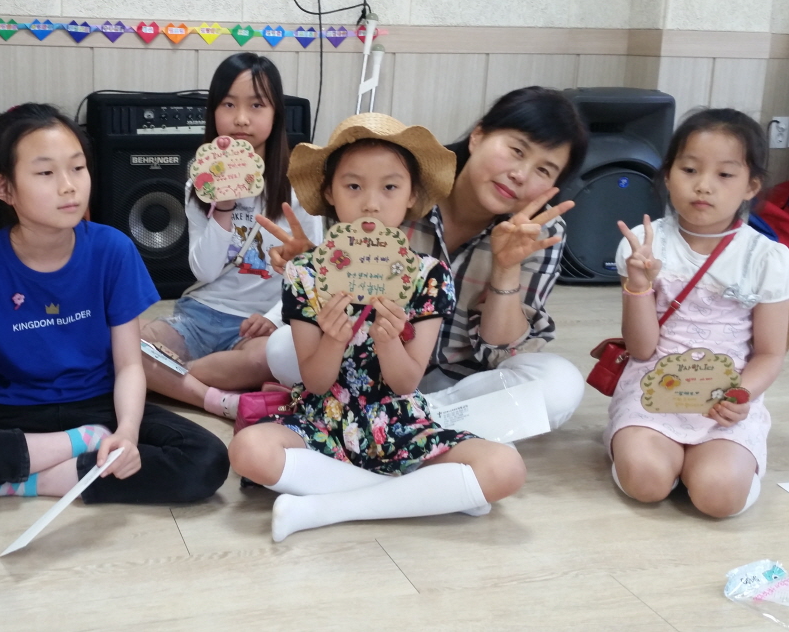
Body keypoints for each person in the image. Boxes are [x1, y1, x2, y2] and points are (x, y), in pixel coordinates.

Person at [0, 104, 228, 505]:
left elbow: (129, 365)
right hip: (12, 415)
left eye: (77, 168)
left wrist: (127, 433)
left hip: (99, 408)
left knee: (205, 459)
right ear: (5, 189)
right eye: (45, 173)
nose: (68, 186)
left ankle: (26, 479)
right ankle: (76, 452)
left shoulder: (113, 250)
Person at [229, 113, 525, 542]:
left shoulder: (428, 275)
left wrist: (388, 340)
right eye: (353, 186)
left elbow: (406, 383)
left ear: (412, 196)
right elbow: (315, 381)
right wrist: (334, 338)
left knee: (506, 467)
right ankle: (430, 495)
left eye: (390, 187)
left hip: (399, 422)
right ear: (330, 193)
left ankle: (324, 508)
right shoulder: (306, 273)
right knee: (247, 450)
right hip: (324, 418)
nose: (371, 203)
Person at [260, 87, 590, 431]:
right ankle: (427, 427)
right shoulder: (392, 186)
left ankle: (404, 419)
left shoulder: (541, 232)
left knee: (559, 384)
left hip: (466, 383)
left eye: (544, 170)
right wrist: (315, 262)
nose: (520, 174)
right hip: (374, 367)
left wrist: (505, 269)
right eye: (517, 150)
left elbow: (502, 351)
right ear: (478, 136)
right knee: (282, 347)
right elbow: (346, 296)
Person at [606, 109, 788, 517]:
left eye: (725, 174)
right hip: (653, 390)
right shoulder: (644, 246)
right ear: (668, 175)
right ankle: (660, 460)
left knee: (719, 496)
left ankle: (704, 468)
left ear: (751, 186)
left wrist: (740, 395)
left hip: (726, 400)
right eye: (689, 169)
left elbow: (770, 353)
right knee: (646, 481)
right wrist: (639, 284)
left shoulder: (768, 258)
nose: (703, 185)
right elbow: (641, 349)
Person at [140, 53, 323, 419]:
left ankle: (167, 376)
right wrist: (222, 207)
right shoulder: (199, 184)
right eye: (228, 104)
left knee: (271, 356)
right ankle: (217, 396)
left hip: (258, 326)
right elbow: (204, 272)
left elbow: (312, 271)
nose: (241, 118)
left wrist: (276, 318)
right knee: (122, 340)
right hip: (199, 316)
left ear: (276, 114)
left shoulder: (300, 189)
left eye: (256, 105)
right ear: (213, 112)